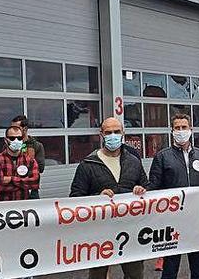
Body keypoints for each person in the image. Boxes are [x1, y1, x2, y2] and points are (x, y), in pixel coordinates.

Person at [70, 116, 148, 279]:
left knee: (135, 274)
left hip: (130, 229)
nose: (113, 135)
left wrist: (142, 189)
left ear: (123, 133)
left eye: (116, 132)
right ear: (101, 135)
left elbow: (147, 188)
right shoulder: (88, 164)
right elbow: (75, 199)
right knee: (98, 275)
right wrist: (97, 197)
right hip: (99, 232)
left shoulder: (134, 162)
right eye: (108, 132)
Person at [148, 112, 199, 279]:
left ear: (191, 130)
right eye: (177, 128)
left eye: (184, 127)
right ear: (171, 131)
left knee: (198, 268)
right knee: (170, 268)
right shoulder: (162, 157)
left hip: (197, 221)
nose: (181, 131)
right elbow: (153, 186)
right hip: (172, 221)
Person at [0, 126, 40, 202]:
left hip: (24, 207)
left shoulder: (30, 160)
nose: (16, 140)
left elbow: (35, 183)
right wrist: (24, 184)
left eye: (19, 138)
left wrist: (11, 179)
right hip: (3, 208)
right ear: (6, 140)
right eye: (12, 138)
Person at [11, 115, 46, 199]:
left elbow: (41, 168)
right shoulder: (9, 145)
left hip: (31, 190)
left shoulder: (36, 146)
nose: (12, 131)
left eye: (16, 128)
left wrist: (29, 159)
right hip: (13, 189)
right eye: (11, 128)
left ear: (25, 129)